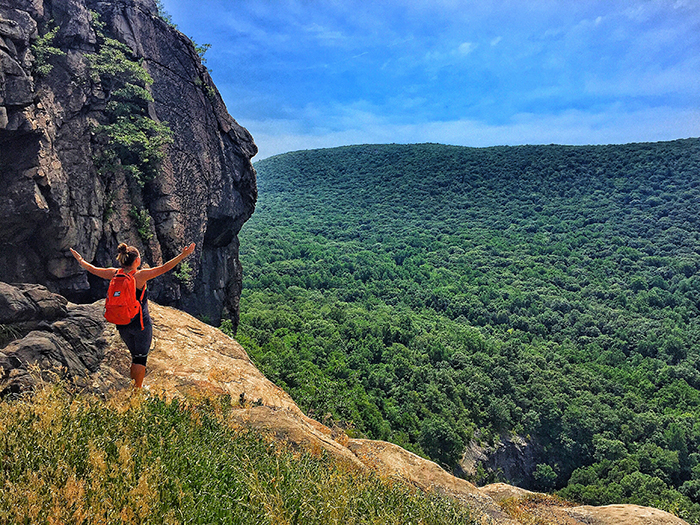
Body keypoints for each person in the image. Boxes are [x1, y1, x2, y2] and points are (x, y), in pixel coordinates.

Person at [70, 242, 196, 388]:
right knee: (140, 359)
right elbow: (164, 268)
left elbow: (93, 269)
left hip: (122, 325)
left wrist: (80, 260)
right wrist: (183, 255)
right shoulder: (139, 276)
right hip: (140, 324)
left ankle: (133, 386)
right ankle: (137, 393)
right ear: (136, 260)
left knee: (134, 357)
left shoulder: (114, 273)